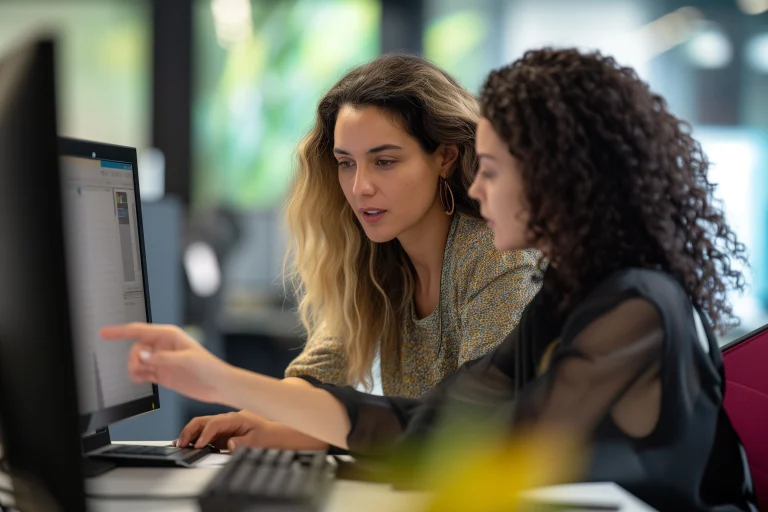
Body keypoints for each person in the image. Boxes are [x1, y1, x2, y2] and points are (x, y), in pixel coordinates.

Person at [102, 48, 756, 510]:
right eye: (346, 163)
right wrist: (244, 394)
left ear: (556, 177)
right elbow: (437, 427)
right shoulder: (572, 299)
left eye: (493, 169)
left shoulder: (636, 308)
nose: (477, 185)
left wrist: (228, 385)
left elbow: (495, 457)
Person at [172, 54, 540, 450]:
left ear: (445, 158)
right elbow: (323, 367)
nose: (360, 186)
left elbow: (471, 430)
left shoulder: (496, 254)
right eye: (346, 163)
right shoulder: (375, 254)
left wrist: (288, 425)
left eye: (384, 161)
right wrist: (263, 417)